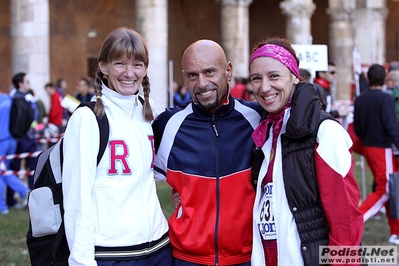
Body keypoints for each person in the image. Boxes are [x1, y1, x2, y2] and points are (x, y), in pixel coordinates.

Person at [249, 37, 364, 265]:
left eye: (274, 76)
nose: (264, 87)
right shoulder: (265, 130)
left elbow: (345, 218)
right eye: (256, 78)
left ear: (294, 76)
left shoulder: (324, 130)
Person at [62, 27, 171, 265]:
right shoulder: (87, 119)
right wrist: (81, 261)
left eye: (137, 65)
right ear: (103, 66)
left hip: (160, 247)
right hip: (113, 253)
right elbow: (76, 199)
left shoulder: (147, 109)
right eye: (120, 63)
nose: (129, 73)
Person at [152, 39, 263, 265]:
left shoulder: (258, 119)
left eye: (209, 72)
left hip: (246, 256)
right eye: (192, 75)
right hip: (185, 258)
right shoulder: (167, 125)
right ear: (184, 78)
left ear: (228, 71)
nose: (202, 83)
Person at [354, 63, 399, 245]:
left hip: (369, 147)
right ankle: (355, 222)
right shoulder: (384, 99)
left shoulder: (360, 99)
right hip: (383, 147)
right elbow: (391, 125)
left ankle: (395, 231)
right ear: (385, 78)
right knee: (385, 189)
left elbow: (357, 127)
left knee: (392, 188)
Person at [8, 72, 38, 205]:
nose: (28, 84)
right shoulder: (22, 98)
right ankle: (29, 197)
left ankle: (16, 199)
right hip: (24, 137)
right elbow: (33, 115)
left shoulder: (16, 97)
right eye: (27, 82)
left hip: (22, 137)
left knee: (19, 168)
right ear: (20, 84)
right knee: (27, 169)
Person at [0, 92, 29, 214]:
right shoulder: (8, 98)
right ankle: (24, 192)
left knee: (2, 172)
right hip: (12, 139)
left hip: (1, 140)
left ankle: (2, 206)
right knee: (4, 171)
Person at [44, 82, 63, 147]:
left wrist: (49, 121)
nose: (47, 92)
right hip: (55, 123)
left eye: (47, 90)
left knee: (53, 144)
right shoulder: (55, 97)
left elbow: (54, 113)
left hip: (55, 124)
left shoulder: (55, 97)